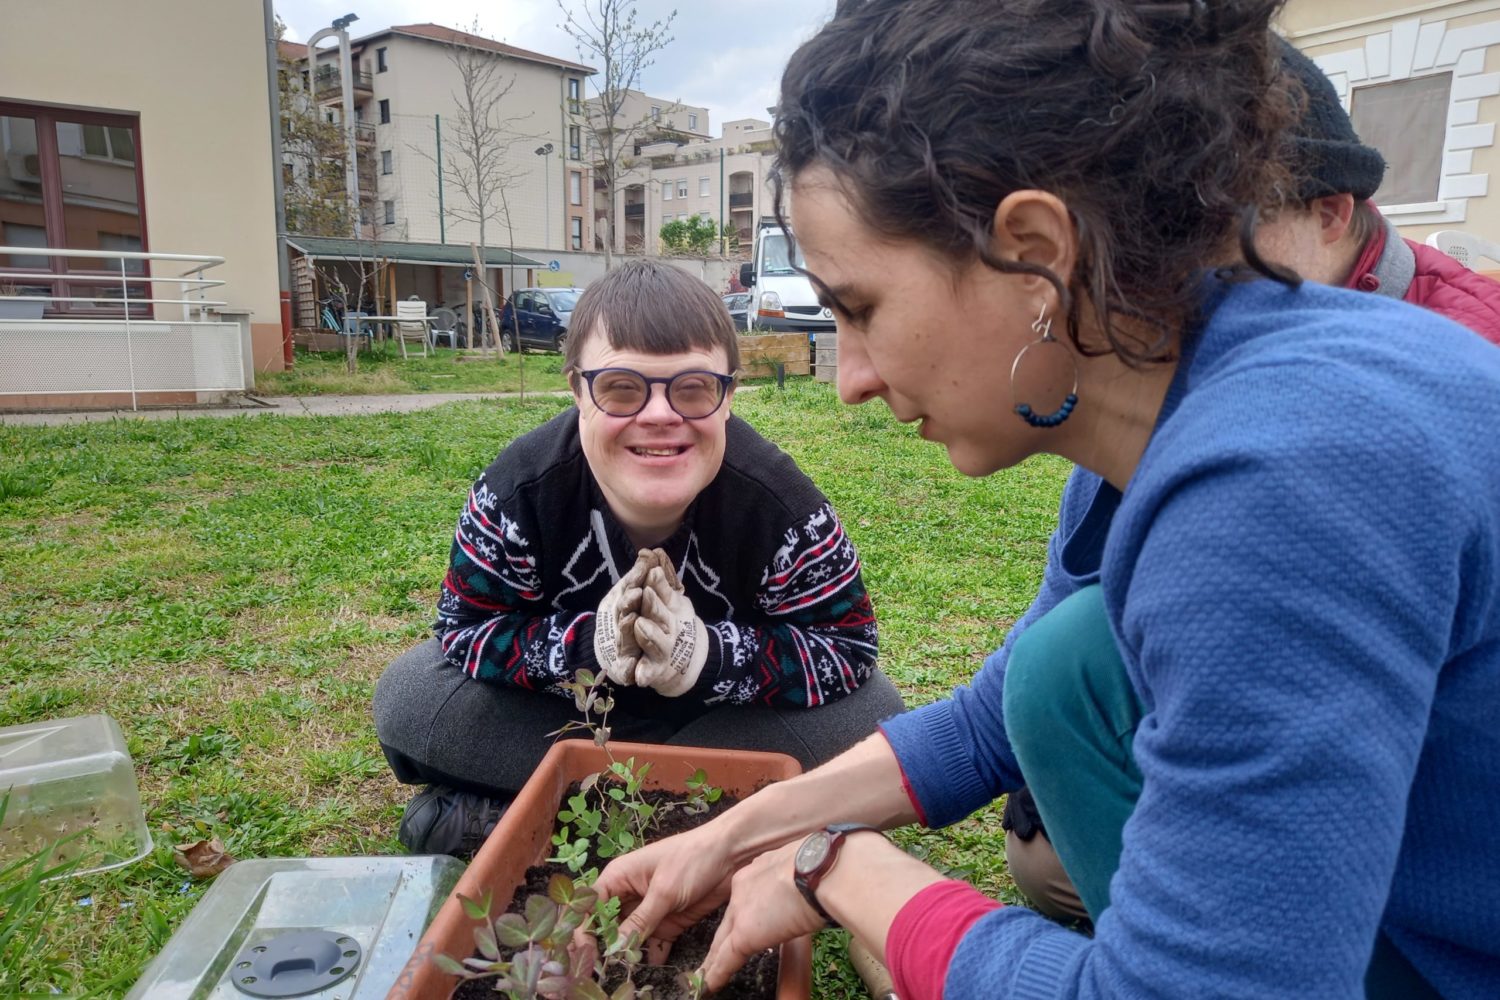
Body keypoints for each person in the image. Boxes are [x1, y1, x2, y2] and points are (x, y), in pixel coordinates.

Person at [591, 2, 1500, 998]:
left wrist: (840, 869)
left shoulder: (1284, 476)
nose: (849, 377)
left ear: (1034, 254)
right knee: (1061, 664)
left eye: (861, 307)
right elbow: (994, 720)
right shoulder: (1170, 411)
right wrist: (737, 833)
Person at [998, 35, 1500, 926]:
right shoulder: (1163, 358)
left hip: (1434, 770)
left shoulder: (1455, 353)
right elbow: (1063, 620)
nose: (1169, 276)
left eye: (1214, 242)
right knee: (1043, 843)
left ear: (1332, 214)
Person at [373, 259, 903, 856]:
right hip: (570, 719)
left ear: (729, 396)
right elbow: (465, 629)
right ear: (577, 391)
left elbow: (848, 649)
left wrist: (709, 656)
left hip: (720, 725)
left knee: (875, 711)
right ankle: (710, 826)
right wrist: (584, 647)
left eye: (693, 387)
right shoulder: (515, 493)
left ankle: (550, 823)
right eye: (620, 387)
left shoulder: (785, 509)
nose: (659, 415)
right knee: (411, 696)